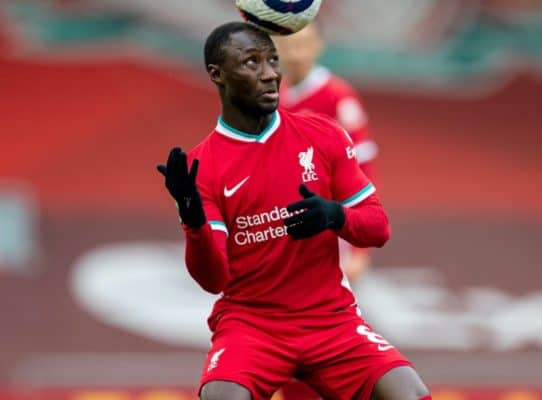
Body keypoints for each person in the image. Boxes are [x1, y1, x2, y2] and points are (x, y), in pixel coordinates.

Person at [157, 21, 430, 400]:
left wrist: (336, 215)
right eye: (252, 63)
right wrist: (193, 221)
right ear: (217, 75)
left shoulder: (324, 135)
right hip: (252, 324)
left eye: (271, 60)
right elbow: (213, 279)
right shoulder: (203, 167)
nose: (269, 74)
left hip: (330, 319)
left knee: (410, 395)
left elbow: (378, 228)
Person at [273, 22, 378, 286]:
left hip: (329, 226)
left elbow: (362, 168)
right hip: (286, 225)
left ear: (318, 46)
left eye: (302, 44)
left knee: (333, 311)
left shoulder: (336, 96)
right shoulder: (275, 96)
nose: (295, 54)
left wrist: (360, 247)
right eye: (288, 45)